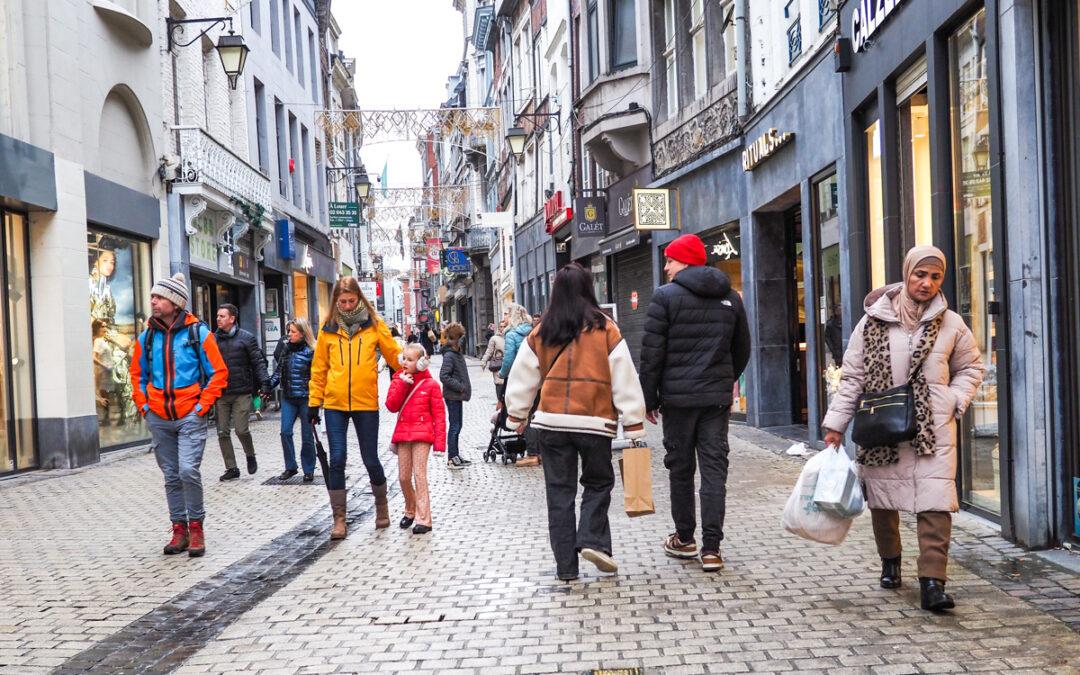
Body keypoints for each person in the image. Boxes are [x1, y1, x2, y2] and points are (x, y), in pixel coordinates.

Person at [822, 245, 984, 612]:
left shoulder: (952, 323)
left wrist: (952, 400)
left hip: (933, 429)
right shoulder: (873, 320)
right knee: (884, 503)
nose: (926, 283)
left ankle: (932, 582)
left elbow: (972, 368)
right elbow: (853, 378)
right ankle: (890, 561)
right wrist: (836, 424)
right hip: (883, 427)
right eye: (920, 274)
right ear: (906, 272)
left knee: (936, 505)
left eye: (935, 276)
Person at [505, 263, 647, 581]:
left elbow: (523, 373)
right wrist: (634, 420)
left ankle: (566, 568)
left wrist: (516, 414)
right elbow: (624, 375)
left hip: (551, 425)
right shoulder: (606, 328)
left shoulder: (541, 331)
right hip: (595, 423)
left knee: (559, 493)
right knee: (598, 483)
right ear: (588, 289)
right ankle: (592, 539)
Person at [639, 233, 751, 573]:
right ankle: (712, 549)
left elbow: (651, 354)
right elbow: (742, 348)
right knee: (715, 471)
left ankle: (685, 539)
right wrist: (723, 379)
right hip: (715, 401)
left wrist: (649, 398)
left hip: (677, 401)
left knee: (681, 469)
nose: (667, 268)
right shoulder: (730, 297)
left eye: (670, 261)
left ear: (685, 261)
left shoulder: (665, 298)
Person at [130, 272, 228, 557]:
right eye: (152, 297)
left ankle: (197, 528)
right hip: (159, 417)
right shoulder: (146, 338)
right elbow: (137, 375)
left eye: (159, 297)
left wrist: (201, 407)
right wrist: (144, 407)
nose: (154, 301)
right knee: (171, 475)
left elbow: (218, 373)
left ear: (175, 302)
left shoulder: (198, 334)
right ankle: (179, 530)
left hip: (189, 415)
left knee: (187, 470)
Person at [309, 277, 402, 540]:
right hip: (335, 403)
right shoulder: (327, 329)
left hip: (365, 402)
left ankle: (381, 507)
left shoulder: (374, 326)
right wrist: (314, 403)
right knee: (336, 459)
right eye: (342, 302)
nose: (347, 306)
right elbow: (319, 370)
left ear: (359, 299)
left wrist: (413, 366)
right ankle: (339, 519)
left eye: (351, 301)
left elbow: (394, 354)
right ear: (336, 302)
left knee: (370, 458)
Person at [386, 344, 446, 534]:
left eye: (410, 360)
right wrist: (403, 384)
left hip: (422, 435)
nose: (405, 363)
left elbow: (439, 416)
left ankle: (424, 519)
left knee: (419, 475)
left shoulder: (431, 385)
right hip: (403, 433)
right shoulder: (398, 380)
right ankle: (410, 510)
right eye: (403, 358)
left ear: (421, 363)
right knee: (403, 477)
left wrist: (440, 444)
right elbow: (391, 406)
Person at [214, 304, 270, 481]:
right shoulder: (213, 340)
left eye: (222, 316)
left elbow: (258, 362)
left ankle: (250, 454)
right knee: (222, 432)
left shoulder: (246, 338)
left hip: (242, 392)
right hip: (222, 392)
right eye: (217, 316)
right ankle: (231, 468)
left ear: (232, 319)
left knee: (241, 430)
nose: (218, 319)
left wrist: (265, 383)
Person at [268, 318, 317, 482]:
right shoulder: (286, 350)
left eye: (293, 331)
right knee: (285, 432)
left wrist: (317, 401)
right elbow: (278, 372)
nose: (289, 335)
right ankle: (291, 466)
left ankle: (309, 469)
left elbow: (317, 378)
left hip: (306, 399)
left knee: (307, 436)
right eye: (289, 331)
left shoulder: (312, 351)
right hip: (288, 398)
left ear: (303, 334)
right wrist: (267, 386)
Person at [499, 303, 539, 465]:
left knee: (526, 416)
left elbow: (508, 360)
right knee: (537, 414)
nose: (504, 318)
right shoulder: (533, 331)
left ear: (513, 316)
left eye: (507, 314)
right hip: (538, 378)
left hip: (521, 379)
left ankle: (532, 454)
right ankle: (541, 452)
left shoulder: (511, 334)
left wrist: (502, 374)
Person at [439, 322, 473, 470]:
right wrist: (460, 387)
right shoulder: (449, 356)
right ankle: (452, 458)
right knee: (454, 426)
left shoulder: (456, 354)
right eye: (461, 338)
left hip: (456, 396)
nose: (462, 340)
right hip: (453, 396)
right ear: (455, 339)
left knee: (457, 425)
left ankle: (456, 455)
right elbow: (444, 376)